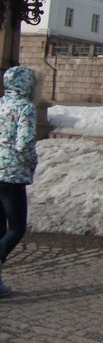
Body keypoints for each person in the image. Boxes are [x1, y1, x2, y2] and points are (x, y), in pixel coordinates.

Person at [0, 66, 39, 297]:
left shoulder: (1, 104)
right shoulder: (25, 107)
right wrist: (32, 162)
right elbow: (24, 144)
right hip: (12, 175)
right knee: (16, 228)